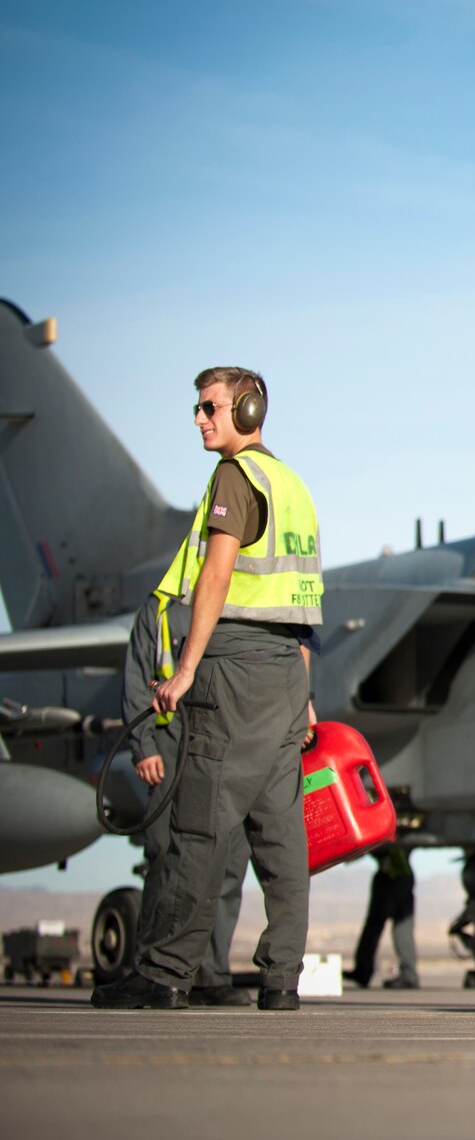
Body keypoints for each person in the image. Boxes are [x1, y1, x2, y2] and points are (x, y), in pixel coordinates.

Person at [93, 367, 321, 1012]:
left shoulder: (235, 475)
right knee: (281, 839)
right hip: (281, 675)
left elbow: (217, 576)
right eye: (197, 408)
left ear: (246, 409)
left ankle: (164, 972)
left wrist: (187, 667)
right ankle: (281, 981)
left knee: (197, 827)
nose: (199, 418)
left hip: (233, 669)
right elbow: (301, 607)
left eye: (209, 407)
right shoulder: (294, 485)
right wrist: (302, 693)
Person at [122, 600, 252, 1006]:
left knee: (229, 856)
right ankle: (149, 970)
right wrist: (142, 746)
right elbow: (135, 677)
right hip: (169, 737)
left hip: (221, 737)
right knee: (164, 851)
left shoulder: (241, 598)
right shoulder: (160, 608)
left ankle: (211, 974)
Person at [349, 844, 419, 989]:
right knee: (401, 924)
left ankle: (364, 970)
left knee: (378, 924)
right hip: (400, 873)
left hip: (392, 873)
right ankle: (408, 973)